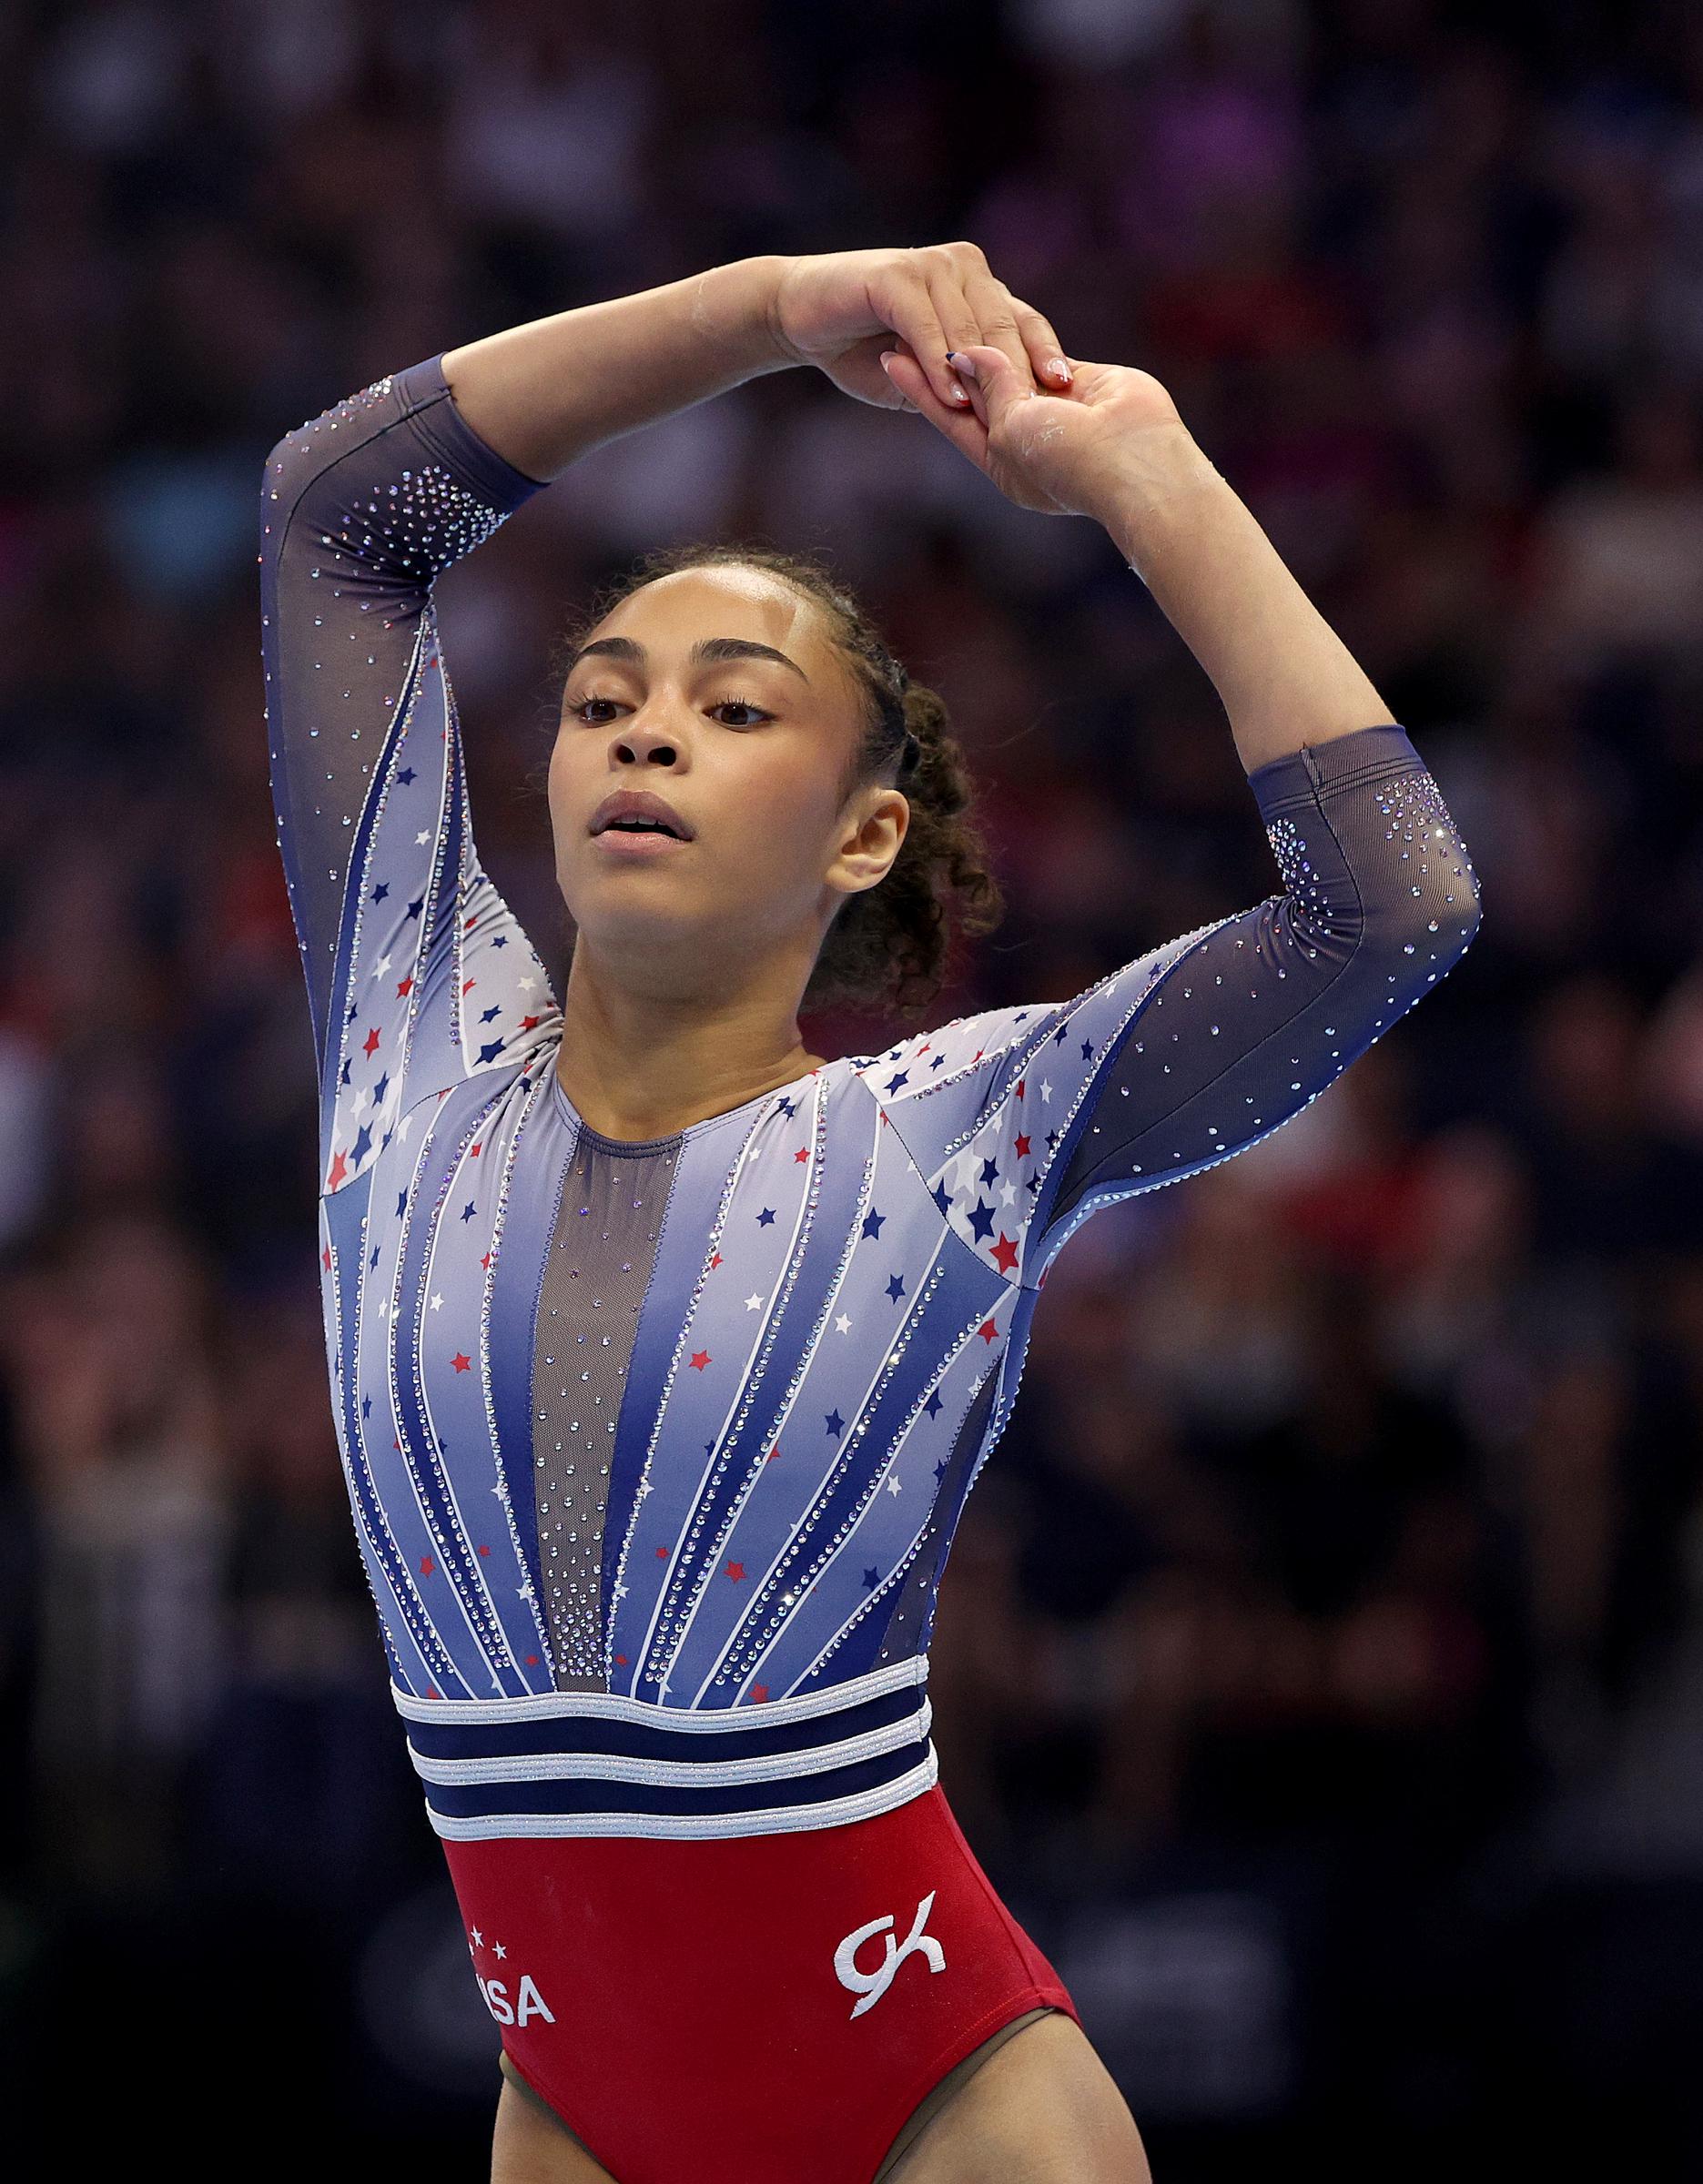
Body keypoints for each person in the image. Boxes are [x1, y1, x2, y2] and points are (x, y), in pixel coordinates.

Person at [258, 244, 1482, 2183]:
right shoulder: (406, 1047)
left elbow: (1393, 906)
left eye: (735, 710)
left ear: (866, 832)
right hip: (571, 2115)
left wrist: (1148, 473)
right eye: (603, 699)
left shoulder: (957, 1130)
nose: (645, 736)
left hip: (941, 2105)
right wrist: (770, 313)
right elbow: (341, 514)